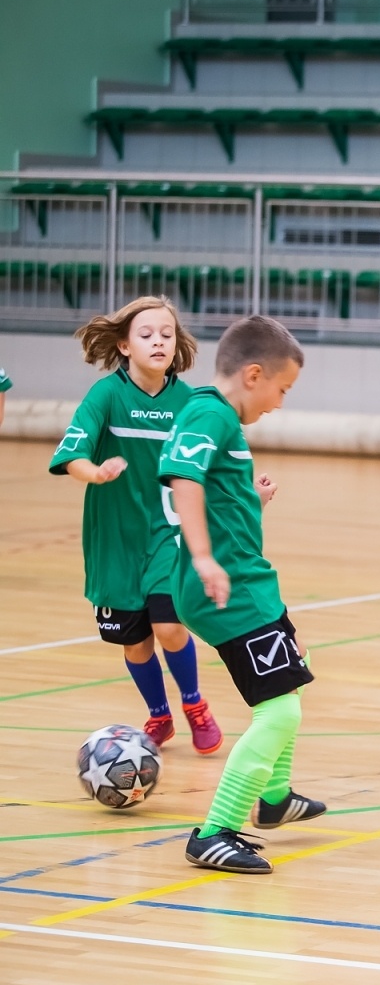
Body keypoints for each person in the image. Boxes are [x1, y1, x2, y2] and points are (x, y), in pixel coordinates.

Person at [160, 315, 323, 873]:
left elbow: (212, 488)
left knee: (291, 683)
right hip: (228, 591)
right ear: (254, 375)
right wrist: (204, 557)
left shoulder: (220, 417)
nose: (280, 402)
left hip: (251, 584)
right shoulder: (210, 412)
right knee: (278, 713)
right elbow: (184, 477)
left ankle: (275, 801)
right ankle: (214, 832)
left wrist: (247, 497)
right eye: (282, 389)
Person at [48, 296, 221, 753]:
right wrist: (96, 471)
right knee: (136, 641)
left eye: (167, 334)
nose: (158, 342)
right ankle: (159, 715)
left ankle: (193, 703)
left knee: (168, 625)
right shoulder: (106, 394)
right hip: (115, 542)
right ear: (124, 345)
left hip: (169, 535)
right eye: (146, 334)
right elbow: (71, 456)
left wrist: (251, 493)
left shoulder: (190, 403)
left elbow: (215, 467)